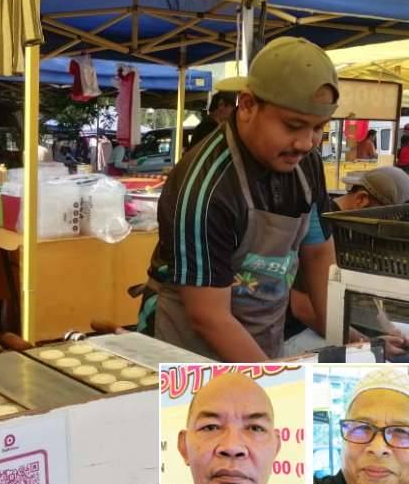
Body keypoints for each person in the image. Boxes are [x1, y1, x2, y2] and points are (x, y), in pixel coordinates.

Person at [137, 37, 339, 362]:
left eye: (318, 128)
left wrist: (347, 338)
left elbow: (318, 255)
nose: (305, 143)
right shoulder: (207, 186)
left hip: (261, 338)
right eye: (293, 126)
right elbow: (209, 317)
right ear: (246, 105)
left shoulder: (307, 165)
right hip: (190, 346)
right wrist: (271, 381)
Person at [281, 167, 409, 363]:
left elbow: (367, 301)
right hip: (299, 331)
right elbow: (302, 308)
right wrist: (367, 343)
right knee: (375, 359)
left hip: (344, 326)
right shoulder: (321, 230)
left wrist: (388, 329)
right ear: (362, 200)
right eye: (387, 218)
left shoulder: (360, 231)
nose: (387, 228)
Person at [162, 372, 304, 484]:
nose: (232, 447)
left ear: (276, 447)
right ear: (183, 446)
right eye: (211, 427)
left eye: (255, 428)